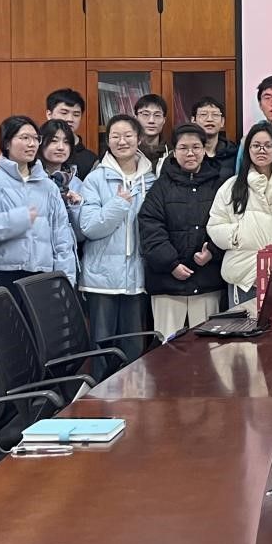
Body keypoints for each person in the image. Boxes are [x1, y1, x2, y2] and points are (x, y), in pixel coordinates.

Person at [0, 115, 78, 295]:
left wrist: (66, 279)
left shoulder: (48, 187)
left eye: (35, 138)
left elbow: (62, 237)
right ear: (7, 143)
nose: (32, 144)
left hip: (42, 274)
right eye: (25, 138)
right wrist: (18, 219)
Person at [76, 115, 156, 362]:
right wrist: (119, 204)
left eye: (128, 135)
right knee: (102, 351)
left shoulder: (152, 180)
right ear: (108, 141)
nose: (122, 141)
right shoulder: (95, 179)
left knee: (134, 351)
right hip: (101, 279)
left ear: (139, 139)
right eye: (115, 136)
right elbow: (89, 227)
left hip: (138, 277)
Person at [138, 124, 227, 337]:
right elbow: (150, 227)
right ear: (174, 151)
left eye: (196, 147)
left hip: (207, 280)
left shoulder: (220, 185)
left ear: (204, 150)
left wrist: (212, 251)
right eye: (183, 148)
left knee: (207, 347)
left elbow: (229, 223)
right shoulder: (160, 187)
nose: (190, 153)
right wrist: (171, 263)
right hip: (167, 283)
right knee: (167, 348)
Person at [211, 121, 272, 306]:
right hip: (243, 276)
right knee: (243, 324)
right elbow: (215, 224)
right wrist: (239, 235)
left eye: (268, 145)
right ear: (248, 150)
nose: (262, 150)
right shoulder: (231, 186)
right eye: (256, 145)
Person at [46, 88, 98, 182]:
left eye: (76, 114)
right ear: (49, 114)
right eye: (64, 113)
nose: (70, 119)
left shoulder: (90, 160)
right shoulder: (34, 149)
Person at [38, 118, 86, 211]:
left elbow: (83, 220)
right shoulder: (32, 178)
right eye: (54, 141)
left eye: (66, 142)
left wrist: (76, 205)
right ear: (40, 143)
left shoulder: (76, 183)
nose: (61, 147)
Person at [192, 96, 238, 183]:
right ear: (193, 120)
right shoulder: (187, 153)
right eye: (203, 114)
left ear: (222, 122)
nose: (210, 119)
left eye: (215, 115)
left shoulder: (234, 153)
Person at [134, 93, 169, 167]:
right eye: (145, 114)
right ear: (136, 118)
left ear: (164, 120)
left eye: (157, 115)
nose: (151, 120)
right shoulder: (129, 150)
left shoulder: (172, 153)